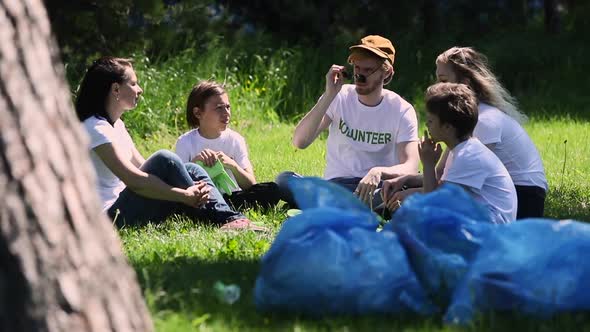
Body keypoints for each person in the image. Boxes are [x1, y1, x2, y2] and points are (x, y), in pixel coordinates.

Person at [75, 56, 264, 230]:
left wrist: (186, 187)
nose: (139, 89)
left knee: (192, 168)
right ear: (116, 89)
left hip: (126, 205)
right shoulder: (95, 128)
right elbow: (135, 180)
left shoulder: (117, 125)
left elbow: (142, 168)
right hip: (110, 218)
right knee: (165, 158)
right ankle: (224, 219)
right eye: (133, 83)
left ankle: (231, 219)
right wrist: (182, 195)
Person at [292, 35, 419, 207]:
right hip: (337, 185)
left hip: (378, 188)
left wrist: (379, 172)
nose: (359, 76)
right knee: (285, 179)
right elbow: (300, 141)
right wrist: (329, 95)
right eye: (357, 69)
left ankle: (330, 204)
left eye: (368, 71)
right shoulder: (339, 96)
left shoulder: (401, 110)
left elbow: (411, 166)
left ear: (387, 72)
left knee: (397, 195)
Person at [434, 47, 548, 219]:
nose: (437, 88)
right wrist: (406, 182)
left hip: (525, 197)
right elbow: (442, 171)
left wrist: (412, 192)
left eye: (443, 81)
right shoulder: (466, 119)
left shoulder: (484, 121)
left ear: (465, 83)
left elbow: (451, 183)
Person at [383, 83, 517, 224]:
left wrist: (428, 164)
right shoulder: (462, 149)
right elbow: (440, 185)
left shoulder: (468, 156)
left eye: (430, 121)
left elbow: (433, 203)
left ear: (447, 127)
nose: (427, 125)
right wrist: (405, 180)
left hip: (491, 232)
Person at [175, 80, 296, 210]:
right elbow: (179, 186)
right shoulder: (185, 142)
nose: (226, 113)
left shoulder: (235, 140)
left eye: (228, 107)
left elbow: (250, 184)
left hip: (232, 197)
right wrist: (194, 164)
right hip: (202, 199)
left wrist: (232, 165)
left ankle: (223, 208)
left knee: (271, 190)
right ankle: (217, 208)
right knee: (179, 205)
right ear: (198, 113)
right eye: (219, 108)